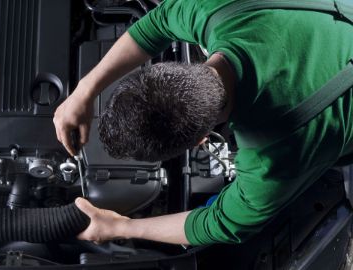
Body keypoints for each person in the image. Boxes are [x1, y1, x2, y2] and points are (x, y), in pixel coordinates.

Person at [53, 0, 353, 246]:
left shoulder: (273, 160)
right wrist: (84, 91)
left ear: (201, 141)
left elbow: (222, 223)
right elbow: (157, 23)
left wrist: (121, 227)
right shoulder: (218, 12)